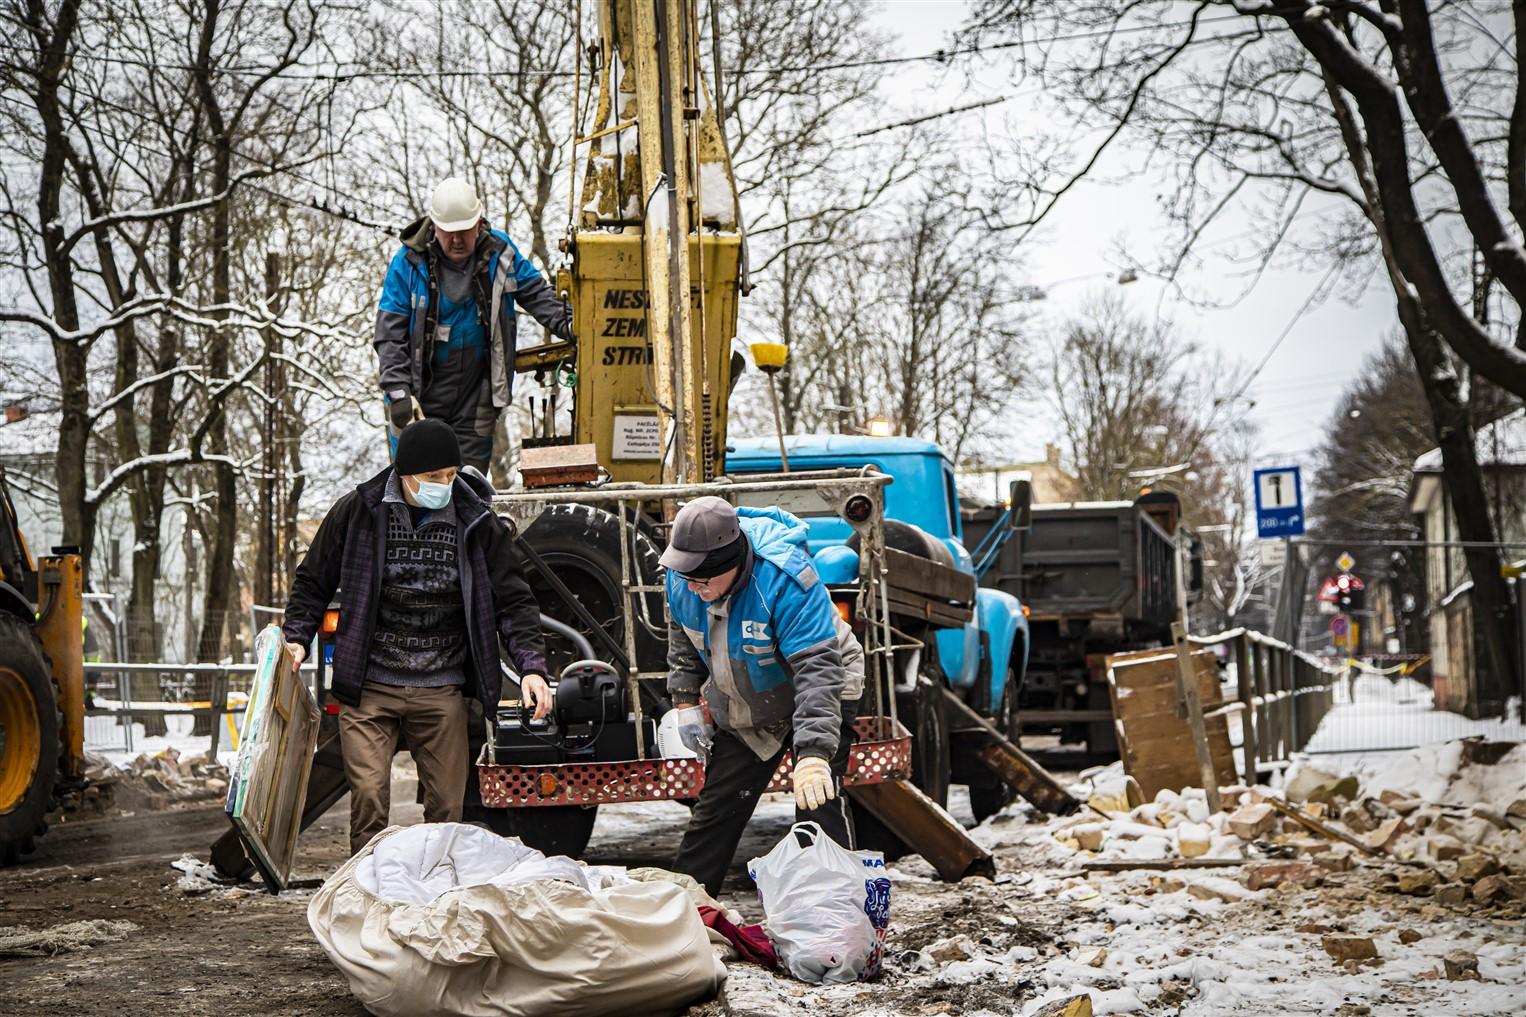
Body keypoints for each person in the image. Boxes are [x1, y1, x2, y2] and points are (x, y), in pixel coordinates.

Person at [280, 419, 552, 855]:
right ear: (403, 474)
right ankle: (367, 894)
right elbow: (313, 581)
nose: (444, 485)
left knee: (448, 809)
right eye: (433, 478)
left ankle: (434, 898)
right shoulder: (358, 513)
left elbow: (515, 603)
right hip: (369, 684)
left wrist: (532, 669)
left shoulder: (476, 521)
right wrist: (296, 636)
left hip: (440, 686)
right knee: (368, 797)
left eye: (450, 475)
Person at [661, 496, 865, 896]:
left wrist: (813, 755)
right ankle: (683, 911)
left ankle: (835, 919)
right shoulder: (682, 577)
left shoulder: (786, 581)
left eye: (702, 580)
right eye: (686, 577)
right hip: (752, 699)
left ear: (730, 565)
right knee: (717, 807)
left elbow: (818, 673)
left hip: (822, 689)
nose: (692, 587)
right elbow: (682, 640)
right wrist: (684, 701)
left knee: (817, 806)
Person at [375, 177, 572, 473]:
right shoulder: (407, 264)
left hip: (475, 400)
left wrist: (573, 326)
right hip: (419, 403)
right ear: (434, 226)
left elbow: (538, 295)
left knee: (468, 488)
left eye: (464, 231)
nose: (456, 240)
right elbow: (390, 335)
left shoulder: (501, 254)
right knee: (417, 487)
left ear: (478, 223)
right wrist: (398, 392)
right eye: (448, 232)